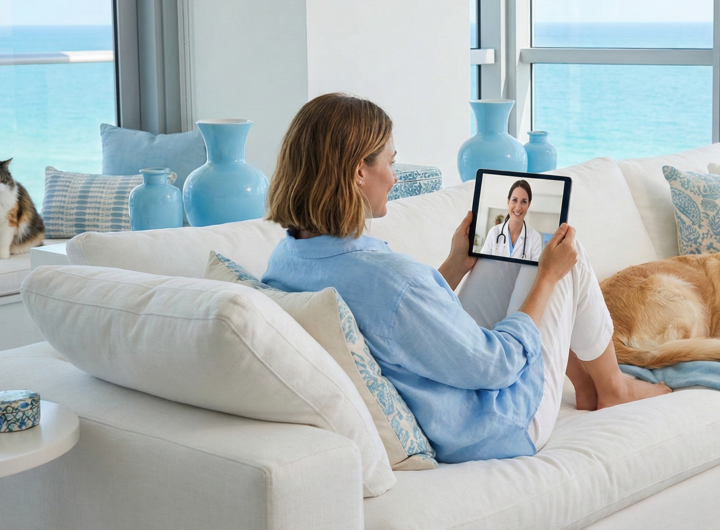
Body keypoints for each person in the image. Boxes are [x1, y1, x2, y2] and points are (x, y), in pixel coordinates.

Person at [261, 93, 670, 463]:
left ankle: (585, 382)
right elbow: (496, 365)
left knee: (507, 248)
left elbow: (396, 326)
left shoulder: (287, 258)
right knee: (564, 258)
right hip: (496, 425)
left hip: (445, 392)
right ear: (358, 175)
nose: (395, 175)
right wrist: (547, 279)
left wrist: (456, 263)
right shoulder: (391, 280)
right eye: (390, 161)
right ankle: (613, 386)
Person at [482, 179, 545, 261]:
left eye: (524, 201)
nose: (518, 207)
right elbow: (482, 265)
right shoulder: (494, 232)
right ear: (508, 202)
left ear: (529, 204)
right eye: (514, 200)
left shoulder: (535, 238)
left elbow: (535, 272)